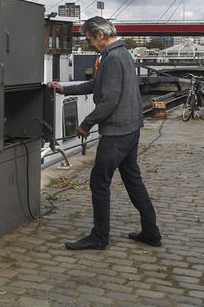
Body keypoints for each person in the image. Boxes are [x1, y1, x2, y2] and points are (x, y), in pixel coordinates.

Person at [47, 17, 161, 250]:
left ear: (100, 34)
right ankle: (151, 232)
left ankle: (99, 237)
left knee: (99, 182)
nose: (89, 44)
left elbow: (108, 100)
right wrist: (63, 89)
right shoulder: (123, 54)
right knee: (132, 180)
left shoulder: (112, 58)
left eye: (89, 39)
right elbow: (96, 86)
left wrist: (86, 124)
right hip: (131, 128)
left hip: (117, 132)